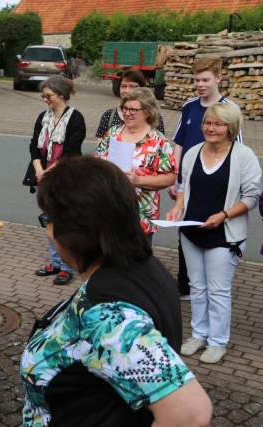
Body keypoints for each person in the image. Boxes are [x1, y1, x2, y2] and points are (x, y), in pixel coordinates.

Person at [21, 156, 213, 427]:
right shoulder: (141, 263)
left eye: (47, 219)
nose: (48, 231)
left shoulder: (107, 316)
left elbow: (190, 415)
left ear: (75, 230)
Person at [166, 103, 261, 364]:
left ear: (230, 128)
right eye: (208, 123)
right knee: (197, 287)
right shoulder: (193, 152)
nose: (211, 128)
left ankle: (218, 341)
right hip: (191, 230)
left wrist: (224, 215)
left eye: (218, 124)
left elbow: (252, 196)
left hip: (224, 233)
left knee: (218, 290)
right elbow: (184, 186)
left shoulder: (244, 156)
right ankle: (199, 334)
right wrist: (177, 208)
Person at [169, 56, 243, 300]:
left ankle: (213, 282)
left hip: (214, 183)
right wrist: (175, 178)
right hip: (186, 182)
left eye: (205, 80)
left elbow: (238, 151)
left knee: (211, 228)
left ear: (218, 79)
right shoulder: (190, 106)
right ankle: (185, 286)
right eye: (196, 80)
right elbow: (178, 142)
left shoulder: (229, 109)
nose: (200, 84)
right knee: (185, 228)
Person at [96, 87, 176, 244]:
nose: (127, 113)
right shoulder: (113, 133)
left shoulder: (158, 141)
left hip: (140, 216)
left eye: (133, 109)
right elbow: (98, 161)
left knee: (136, 265)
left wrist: (138, 181)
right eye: (125, 108)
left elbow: (171, 177)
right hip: (108, 211)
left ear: (147, 111)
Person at [29, 75, 85, 285]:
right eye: (43, 96)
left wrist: (48, 172)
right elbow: (34, 145)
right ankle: (54, 262)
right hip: (43, 175)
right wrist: (38, 169)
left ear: (61, 95)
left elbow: (71, 151)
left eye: (48, 96)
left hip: (65, 176)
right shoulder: (43, 117)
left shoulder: (76, 118)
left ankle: (66, 266)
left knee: (64, 222)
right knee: (48, 220)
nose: (45, 99)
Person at [95, 69, 165, 142]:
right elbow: (100, 145)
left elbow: (160, 143)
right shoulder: (109, 115)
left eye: (132, 86)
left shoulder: (154, 116)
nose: (127, 90)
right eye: (123, 86)